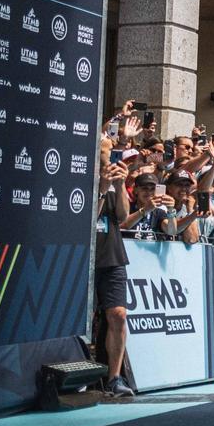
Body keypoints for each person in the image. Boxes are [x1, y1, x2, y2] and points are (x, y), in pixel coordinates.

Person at [94, 160, 133, 398]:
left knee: (118, 315)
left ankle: (114, 379)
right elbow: (87, 218)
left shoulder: (115, 183)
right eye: (104, 156)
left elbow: (122, 215)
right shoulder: (82, 177)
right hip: (87, 258)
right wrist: (101, 188)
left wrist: (119, 186)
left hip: (113, 257)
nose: (109, 162)